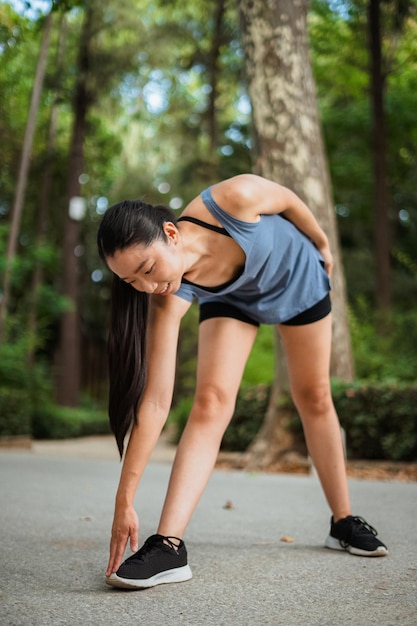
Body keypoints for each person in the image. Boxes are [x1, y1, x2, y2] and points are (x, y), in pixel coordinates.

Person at [97, 173, 388, 590]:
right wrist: (123, 501)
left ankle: (343, 522)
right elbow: (156, 403)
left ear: (171, 233)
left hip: (296, 277)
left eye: (147, 268)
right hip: (233, 298)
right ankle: (168, 546)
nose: (147, 286)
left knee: (314, 396)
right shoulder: (167, 298)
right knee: (211, 402)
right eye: (131, 282)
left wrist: (322, 242)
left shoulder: (232, 199)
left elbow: (288, 200)